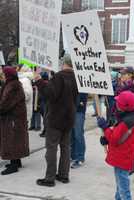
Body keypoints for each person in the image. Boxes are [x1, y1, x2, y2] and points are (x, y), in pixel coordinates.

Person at [34, 55, 78, 187]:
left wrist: (39, 81)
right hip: (69, 117)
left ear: (64, 63)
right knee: (65, 148)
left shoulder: (59, 76)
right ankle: (64, 175)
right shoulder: (76, 77)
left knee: (51, 148)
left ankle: (50, 178)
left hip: (56, 118)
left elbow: (50, 94)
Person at [97, 91, 134, 200]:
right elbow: (117, 136)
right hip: (123, 157)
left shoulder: (126, 121)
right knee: (120, 184)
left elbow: (114, 139)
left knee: (123, 187)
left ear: (123, 106)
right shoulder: (128, 117)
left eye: (118, 102)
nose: (116, 103)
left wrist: (105, 127)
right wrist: (106, 138)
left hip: (122, 158)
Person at [0, 66, 29, 175]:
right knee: (16, 139)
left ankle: (13, 165)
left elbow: (5, 104)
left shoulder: (12, 86)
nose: (2, 75)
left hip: (13, 119)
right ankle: (16, 161)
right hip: (15, 118)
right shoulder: (12, 84)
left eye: (3, 73)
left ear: (8, 75)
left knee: (12, 139)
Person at [71, 93, 88, 168]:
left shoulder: (82, 84)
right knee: (71, 135)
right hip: (70, 110)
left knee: (78, 134)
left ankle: (80, 158)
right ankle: (73, 156)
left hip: (79, 111)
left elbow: (82, 97)